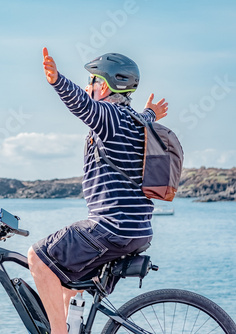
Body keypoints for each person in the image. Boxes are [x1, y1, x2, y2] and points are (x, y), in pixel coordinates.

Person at [27, 48, 169, 334]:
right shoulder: (137, 121)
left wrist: (57, 80)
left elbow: (83, 105)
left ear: (103, 86)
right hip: (137, 230)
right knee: (66, 281)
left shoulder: (110, 118)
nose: (87, 86)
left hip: (111, 227)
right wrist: (152, 112)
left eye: (91, 80)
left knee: (38, 258)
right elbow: (140, 119)